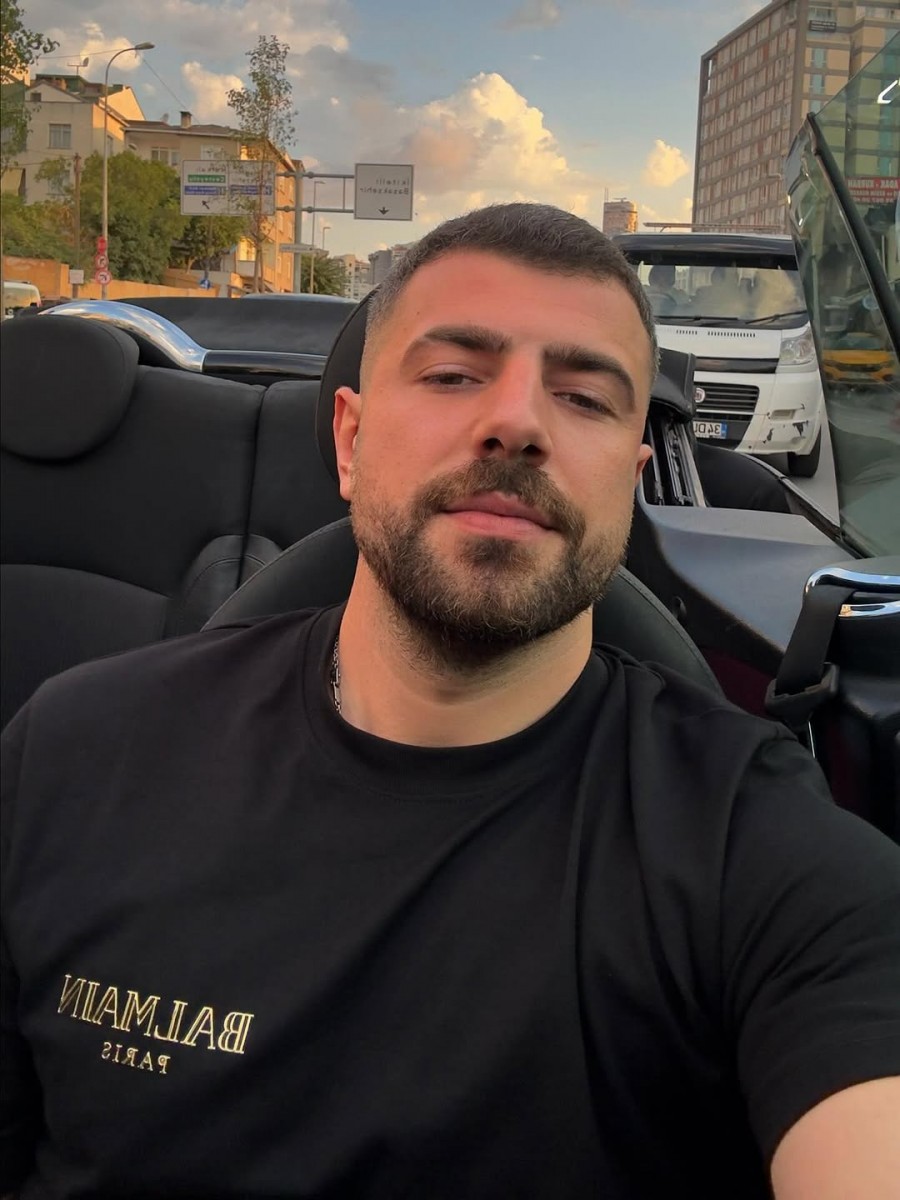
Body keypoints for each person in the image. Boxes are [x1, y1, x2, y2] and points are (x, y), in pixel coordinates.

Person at [1, 203, 898, 1199]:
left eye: (584, 397)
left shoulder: (760, 850)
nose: (517, 422)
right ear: (349, 442)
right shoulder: (75, 753)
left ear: (629, 482)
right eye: (452, 375)